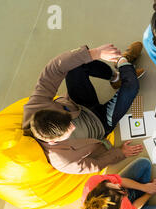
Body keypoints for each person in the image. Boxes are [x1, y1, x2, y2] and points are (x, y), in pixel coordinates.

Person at [22, 42, 146, 174]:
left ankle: (116, 78)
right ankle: (124, 61)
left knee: (75, 65)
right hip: (102, 122)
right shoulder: (62, 160)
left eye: (69, 121)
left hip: (79, 104)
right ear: (53, 140)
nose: (73, 126)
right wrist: (120, 153)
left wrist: (95, 53)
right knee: (132, 86)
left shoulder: (36, 107)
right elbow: (95, 165)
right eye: (69, 129)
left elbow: (54, 68)